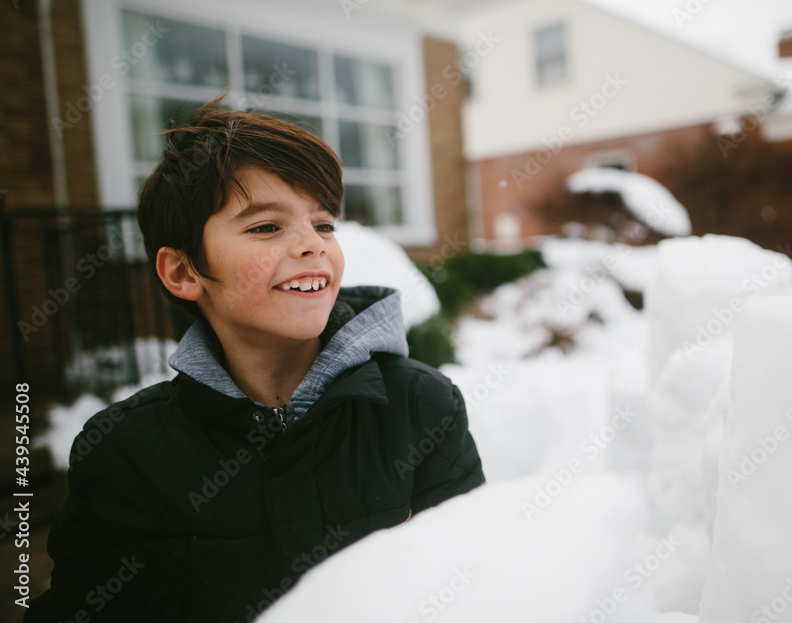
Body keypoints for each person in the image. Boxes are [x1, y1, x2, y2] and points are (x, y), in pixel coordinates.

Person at [25, 99, 485, 622]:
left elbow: (475, 585)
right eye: (267, 227)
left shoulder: (419, 407)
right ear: (183, 272)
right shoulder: (121, 451)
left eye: (324, 224)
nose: (313, 245)